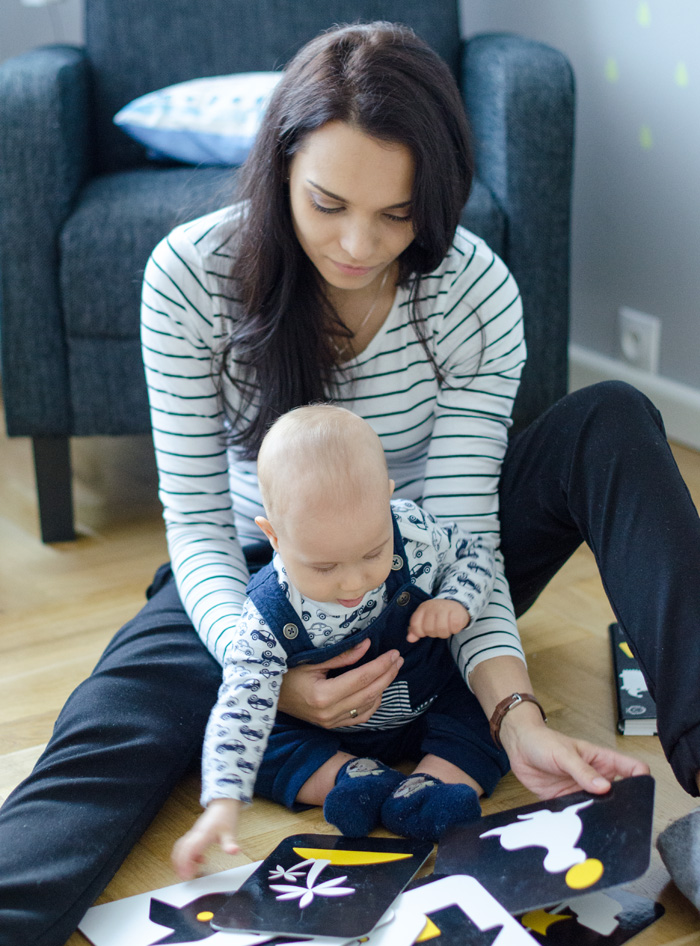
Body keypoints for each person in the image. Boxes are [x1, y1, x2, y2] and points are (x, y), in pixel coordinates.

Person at [0, 19, 698, 944]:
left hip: (419, 567)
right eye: (327, 203)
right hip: (259, 575)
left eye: (397, 215)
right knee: (111, 726)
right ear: (279, 167)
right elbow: (199, 526)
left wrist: (515, 710)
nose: (359, 245)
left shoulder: (471, 291)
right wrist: (268, 668)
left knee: (612, 417)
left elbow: (465, 535)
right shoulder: (189, 276)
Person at [173, 403, 509, 879]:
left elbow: (476, 555)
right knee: (263, 741)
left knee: (489, 715)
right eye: (323, 567)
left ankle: (430, 784)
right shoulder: (265, 616)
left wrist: (456, 600)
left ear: (388, 501)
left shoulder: (412, 529)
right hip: (325, 731)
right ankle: (353, 777)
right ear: (273, 536)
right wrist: (223, 804)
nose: (354, 583)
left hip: (429, 701)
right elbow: (241, 707)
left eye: (373, 552)